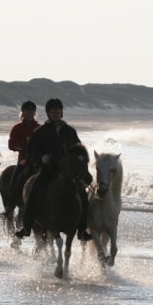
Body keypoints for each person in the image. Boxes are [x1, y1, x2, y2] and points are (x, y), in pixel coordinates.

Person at [15, 98, 92, 241]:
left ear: (62, 113)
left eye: (58, 111)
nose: (56, 114)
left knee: (83, 195)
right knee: (33, 191)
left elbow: (78, 150)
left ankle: (82, 230)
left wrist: (80, 163)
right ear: (48, 114)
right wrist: (42, 157)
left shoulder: (69, 131)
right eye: (53, 111)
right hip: (48, 169)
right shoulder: (40, 132)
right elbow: (31, 151)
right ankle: (26, 227)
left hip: (69, 172)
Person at [7, 100, 41, 207]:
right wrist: (21, 148)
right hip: (24, 160)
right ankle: (11, 203)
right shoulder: (17, 128)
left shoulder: (40, 128)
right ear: (23, 113)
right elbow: (11, 144)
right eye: (27, 112)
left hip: (37, 159)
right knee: (16, 178)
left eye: (32, 112)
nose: (29, 114)